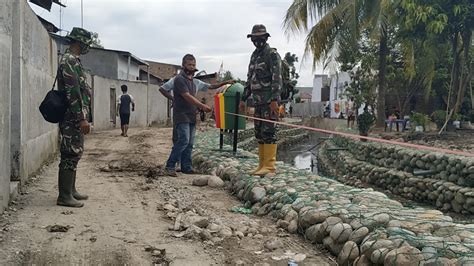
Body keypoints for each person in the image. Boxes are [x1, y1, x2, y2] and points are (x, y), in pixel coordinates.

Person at [56, 27, 93, 208]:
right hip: (72, 116)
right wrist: (81, 118)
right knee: (70, 152)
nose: (87, 47)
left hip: (75, 116)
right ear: (79, 42)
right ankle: (64, 196)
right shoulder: (69, 61)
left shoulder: (74, 61)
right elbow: (73, 92)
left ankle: (71, 190)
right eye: (85, 43)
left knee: (75, 152)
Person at [240, 24, 282, 176]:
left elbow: (277, 78)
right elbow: (250, 79)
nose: (257, 41)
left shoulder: (271, 54)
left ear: (266, 37)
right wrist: (244, 98)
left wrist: (274, 100)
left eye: (260, 38)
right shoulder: (254, 55)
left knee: (269, 131)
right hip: (257, 101)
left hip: (269, 101)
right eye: (254, 38)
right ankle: (261, 165)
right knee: (259, 133)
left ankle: (270, 167)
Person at [164, 54, 212, 177]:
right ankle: (170, 166)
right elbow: (187, 97)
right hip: (181, 115)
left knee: (190, 143)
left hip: (191, 115)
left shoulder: (192, 81)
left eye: (194, 65)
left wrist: (224, 83)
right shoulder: (179, 79)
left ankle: (186, 167)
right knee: (183, 140)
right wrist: (202, 106)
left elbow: (206, 89)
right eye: (189, 65)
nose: (192, 67)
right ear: (183, 65)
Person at [159, 74, 235, 144]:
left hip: (191, 111)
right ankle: (175, 157)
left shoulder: (196, 82)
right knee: (179, 136)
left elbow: (211, 86)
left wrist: (224, 83)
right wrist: (174, 99)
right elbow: (162, 89)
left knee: (189, 139)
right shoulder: (176, 80)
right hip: (180, 111)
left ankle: (184, 157)